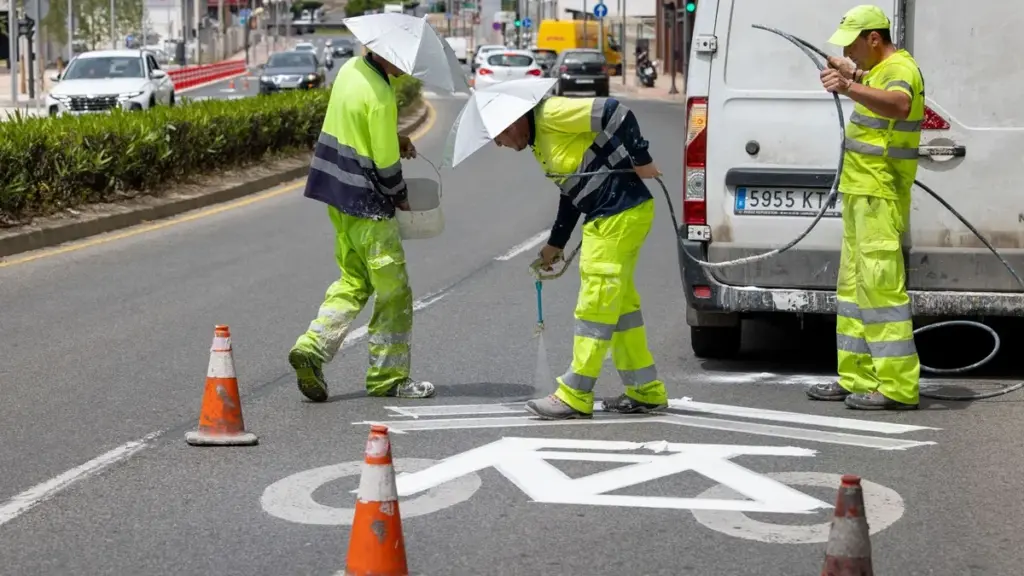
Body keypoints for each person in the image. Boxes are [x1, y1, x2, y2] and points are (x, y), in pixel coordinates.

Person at [493, 95, 668, 420]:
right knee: (621, 307)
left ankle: (575, 393)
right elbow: (573, 189)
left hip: (616, 213)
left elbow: (617, 111)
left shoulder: (550, 114)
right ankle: (645, 389)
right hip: (618, 214)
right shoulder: (539, 144)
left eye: (498, 136)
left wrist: (641, 158)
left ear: (513, 122)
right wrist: (556, 243)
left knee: (596, 303)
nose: (498, 144)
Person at [288, 50, 435, 402]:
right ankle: (388, 378)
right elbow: (385, 164)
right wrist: (401, 196)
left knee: (354, 279)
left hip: (338, 197)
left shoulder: (351, 69)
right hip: (368, 204)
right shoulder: (382, 95)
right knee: (393, 291)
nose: (408, 67)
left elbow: (358, 124)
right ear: (388, 52)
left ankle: (312, 346)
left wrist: (394, 136)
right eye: (405, 58)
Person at [805, 5, 925, 410]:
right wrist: (852, 73)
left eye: (853, 46)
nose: (850, 53)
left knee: (881, 291)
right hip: (861, 194)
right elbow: (873, 82)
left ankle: (896, 387)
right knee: (855, 289)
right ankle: (857, 378)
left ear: (874, 38)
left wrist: (847, 86)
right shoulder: (878, 69)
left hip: (879, 193)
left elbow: (898, 105)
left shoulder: (901, 70)